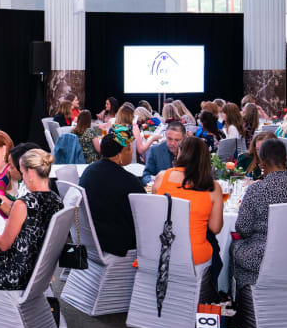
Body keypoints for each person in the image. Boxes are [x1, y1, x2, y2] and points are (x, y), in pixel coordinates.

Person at [0, 149, 64, 290]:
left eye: (23, 172)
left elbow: (3, 245)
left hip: (14, 274)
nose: (22, 178)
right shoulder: (57, 201)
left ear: (31, 173)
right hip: (39, 273)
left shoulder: (23, 204)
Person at [233, 139, 287, 288]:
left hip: (262, 256)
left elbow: (243, 228)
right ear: (285, 161)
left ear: (262, 163)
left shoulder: (256, 190)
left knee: (234, 246)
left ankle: (243, 295)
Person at [152, 136, 224, 298]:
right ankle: (206, 301)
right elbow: (215, 228)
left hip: (160, 251)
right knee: (213, 245)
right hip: (193, 256)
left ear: (180, 154)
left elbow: (156, 214)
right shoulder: (212, 187)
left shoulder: (161, 177)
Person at [79, 126, 141, 257]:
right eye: (128, 149)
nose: (131, 152)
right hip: (118, 246)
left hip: (92, 240)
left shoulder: (89, 171)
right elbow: (143, 215)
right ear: (119, 155)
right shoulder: (128, 181)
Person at [0, 142, 39, 217]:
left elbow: (16, 217)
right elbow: (15, 206)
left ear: (23, 168)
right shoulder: (24, 184)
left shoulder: (33, 195)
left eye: (11, 166)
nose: (8, 170)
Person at [142, 121, 185, 186]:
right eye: (169, 139)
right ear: (165, 136)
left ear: (183, 139)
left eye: (177, 140)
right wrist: (153, 183)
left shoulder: (190, 152)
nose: (172, 143)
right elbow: (146, 175)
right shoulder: (155, 150)